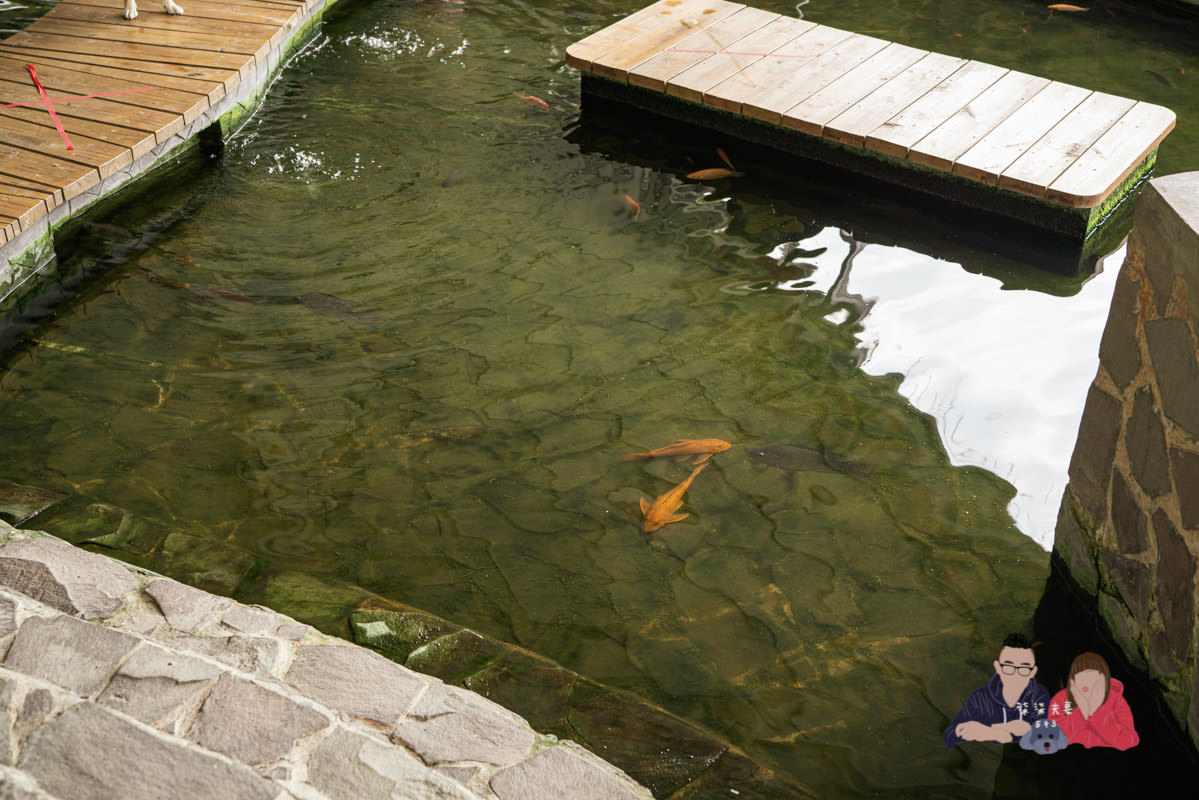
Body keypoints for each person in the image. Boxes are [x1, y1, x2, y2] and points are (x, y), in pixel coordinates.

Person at [943, 633, 1049, 747]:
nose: (1016, 675)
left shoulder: (1038, 695)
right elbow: (949, 736)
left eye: (1024, 668)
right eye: (1008, 667)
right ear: (998, 668)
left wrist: (993, 732)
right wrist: (1000, 731)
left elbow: (1042, 737)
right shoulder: (980, 697)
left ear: (1033, 672)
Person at [1048, 652, 1138, 750]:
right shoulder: (1061, 700)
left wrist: (1097, 711)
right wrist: (1081, 712)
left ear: (1102, 678)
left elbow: (1128, 741)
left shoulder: (1116, 701)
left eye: (1090, 676)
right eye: (1079, 676)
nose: (1085, 682)